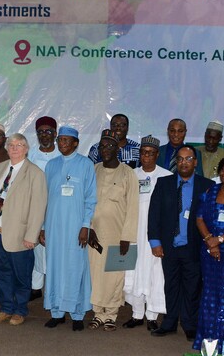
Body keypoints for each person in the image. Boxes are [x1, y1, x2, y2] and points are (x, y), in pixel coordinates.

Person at [148, 146, 214, 341]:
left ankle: (189, 325)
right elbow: (154, 214)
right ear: (176, 162)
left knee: (192, 287)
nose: (184, 162)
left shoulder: (206, 185)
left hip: (194, 246)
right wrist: (155, 242)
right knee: (171, 286)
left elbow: (209, 216)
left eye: (188, 159)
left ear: (195, 162)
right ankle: (168, 324)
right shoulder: (164, 183)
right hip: (169, 246)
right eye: (180, 159)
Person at [0, 133, 47, 326]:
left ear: (27, 148)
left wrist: (32, 235)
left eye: (19, 145)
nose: (14, 148)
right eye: (11, 145)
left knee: (22, 276)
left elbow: (38, 207)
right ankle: (6, 308)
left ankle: (20, 310)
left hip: (21, 235)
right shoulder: (0, 168)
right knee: (2, 273)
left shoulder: (35, 173)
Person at [43, 126, 96, 331]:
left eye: (67, 140)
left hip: (76, 227)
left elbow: (91, 199)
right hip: (54, 227)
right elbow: (45, 198)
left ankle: (77, 314)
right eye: (60, 140)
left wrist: (85, 226)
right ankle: (57, 312)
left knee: (76, 268)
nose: (62, 143)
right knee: (55, 267)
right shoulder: (51, 165)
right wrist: (42, 227)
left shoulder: (85, 165)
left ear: (76, 143)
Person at [88, 129, 139, 332]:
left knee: (114, 275)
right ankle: (98, 313)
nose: (105, 149)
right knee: (96, 274)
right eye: (102, 146)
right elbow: (87, 203)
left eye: (110, 146)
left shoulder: (128, 173)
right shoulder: (94, 170)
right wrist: (88, 228)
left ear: (118, 148)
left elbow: (133, 207)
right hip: (95, 235)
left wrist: (127, 237)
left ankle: (111, 315)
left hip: (117, 236)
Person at [123, 135, 172, 331]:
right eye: (144, 153)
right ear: (140, 154)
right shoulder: (131, 174)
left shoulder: (167, 176)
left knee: (155, 273)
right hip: (134, 232)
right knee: (133, 271)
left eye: (151, 153)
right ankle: (136, 314)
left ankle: (152, 315)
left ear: (157, 155)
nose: (147, 157)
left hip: (156, 235)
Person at [193, 157, 224, 353]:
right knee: (209, 295)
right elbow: (199, 218)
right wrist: (209, 240)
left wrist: (220, 240)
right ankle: (209, 342)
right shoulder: (210, 191)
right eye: (222, 170)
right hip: (209, 251)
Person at [28, 116, 60, 302]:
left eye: (48, 131)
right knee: (36, 247)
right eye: (41, 132)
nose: (45, 135)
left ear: (55, 134)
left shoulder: (61, 155)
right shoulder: (31, 155)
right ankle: (35, 287)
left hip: (56, 208)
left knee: (53, 247)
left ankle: (52, 288)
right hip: (36, 207)